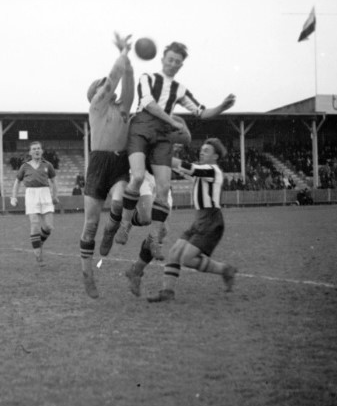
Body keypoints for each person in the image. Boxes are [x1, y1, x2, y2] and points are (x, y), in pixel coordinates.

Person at [115, 41, 236, 262]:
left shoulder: (179, 89)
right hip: (142, 127)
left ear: (181, 66)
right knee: (139, 175)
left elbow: (200, 111)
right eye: (170, 59)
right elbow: (149, 104)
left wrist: (220, 107)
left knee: (163, 188)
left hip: (161, 134)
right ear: (163, 59)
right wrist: (174, 122)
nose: (173, 64)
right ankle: (124, 225)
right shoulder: (147, 78)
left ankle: (153, 239)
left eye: (177, 62)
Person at [141, 138, 237, 302]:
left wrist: (162, 156)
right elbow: (183, 169)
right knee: (174, 253)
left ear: (215, 157)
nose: (201, 152)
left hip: (211, 220)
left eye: (206, 150)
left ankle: (225, 270)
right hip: (200, 219)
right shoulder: (204, 171)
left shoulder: (212, 170)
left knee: (187, 259)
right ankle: (167, 292)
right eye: (201, 149)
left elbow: (189, 168)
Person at [77, 32, 135, 298]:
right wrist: (122, 55)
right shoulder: (96, 107)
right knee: (90, 224)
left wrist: (129, 63)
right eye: (101, 86)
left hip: (118, 161)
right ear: (95, 94)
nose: (105, 88)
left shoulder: (122, 108)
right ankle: (87, 274)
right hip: (99, 163)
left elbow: (128, 89)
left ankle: (111, 232)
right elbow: (113, 80)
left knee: (119, 202)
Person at [10, 141, 59, 265]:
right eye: (34, 149)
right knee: (35, 224)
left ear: (41, 151)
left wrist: (55, 196)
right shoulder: (25, 166)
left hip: (45, 194)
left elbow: (54, 181)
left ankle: (39, 241)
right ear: (30, 152)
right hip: (31, 195)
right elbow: (17, 182)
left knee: (48, 226)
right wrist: (13, 197)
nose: (37, 151)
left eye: (38, 148)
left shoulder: (48, 165)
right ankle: (38, 256)